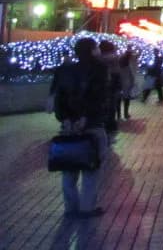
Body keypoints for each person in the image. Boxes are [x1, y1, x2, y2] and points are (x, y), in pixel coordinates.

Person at [52, 37, 109, 219]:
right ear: (92, 50)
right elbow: (98, 97)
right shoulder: (99, 69)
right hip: (91, 123)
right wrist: (85, 117)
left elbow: (59, 98)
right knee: (91, 167)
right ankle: (87, 207)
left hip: (69, 126)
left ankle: (70, 207)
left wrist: (66, 119)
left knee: (69, 166)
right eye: (96, 48)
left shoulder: (64, 70)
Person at [98, 41, 120, 133]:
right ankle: (111, 124)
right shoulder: (114, 58)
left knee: (106, 105)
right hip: (113, 84)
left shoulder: (101, 59)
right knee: (111, 105)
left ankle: (106, 124)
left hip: (104, 84)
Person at [117, 50, 135, 121]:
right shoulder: (127, 67)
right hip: (126, 84)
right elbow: (131, 76)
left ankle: (118, 115)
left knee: (118, 101)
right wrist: (132, 83)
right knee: (126, 99)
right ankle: (126, 113)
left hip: (119, 84)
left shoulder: (118, 66)